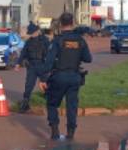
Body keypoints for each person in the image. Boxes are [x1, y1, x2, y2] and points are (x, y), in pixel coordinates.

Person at [38, 12, 92, 140]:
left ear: (61, 24)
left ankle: (55, 131)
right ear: (72, 23)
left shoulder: (58, 40)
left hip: (59, 77)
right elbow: (88, 58)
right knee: (72, 106)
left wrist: (43, 79)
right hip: (75, 77)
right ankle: (71, 133)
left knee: (52, 104)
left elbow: (49, 61)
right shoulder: (80, 40)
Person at [17, 22, 49, 113]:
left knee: (46, 84)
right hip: (32, 66)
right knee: (28, 85)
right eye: (31, 33)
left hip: (42, 65)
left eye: (33, 32)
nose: (32, 34)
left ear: (38, 31)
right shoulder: (28, 42)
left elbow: (51, 53)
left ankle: (49, 100)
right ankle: (25, 103)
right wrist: (18, 63)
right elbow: (23, 53)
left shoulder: (45, 40)